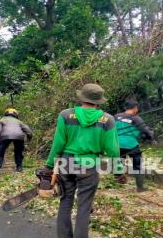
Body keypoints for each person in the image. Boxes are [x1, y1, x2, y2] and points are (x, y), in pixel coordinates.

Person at [44, 83, 121, 238]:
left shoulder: (65, 115)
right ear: (99, 101)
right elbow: (112, 149)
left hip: (67, 163)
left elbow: (58, 143)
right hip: (89, 166)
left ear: (82, 98)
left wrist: (49, 165)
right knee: (84, 207)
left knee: (65, 202)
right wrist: (118, 171)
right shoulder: (108, 120)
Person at [114, 100, 154, 192]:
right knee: (137, 165)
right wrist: (151, 136)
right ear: (135, 108)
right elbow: (145, 130)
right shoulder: (136, 118)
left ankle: (118, 183)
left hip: (117, 143)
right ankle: (140, 187)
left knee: (119, 161)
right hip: (131, 144)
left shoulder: (116, 117)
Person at [0, 108, 33, 177]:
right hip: (19, 137)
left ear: (6, 113)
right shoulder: (19, 121)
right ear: (16, 114)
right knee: (18, 151)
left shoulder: (2, 119)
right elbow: (29, 131)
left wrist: (0, 139)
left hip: (5, 136)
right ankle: (19, 167)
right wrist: (29, 138)